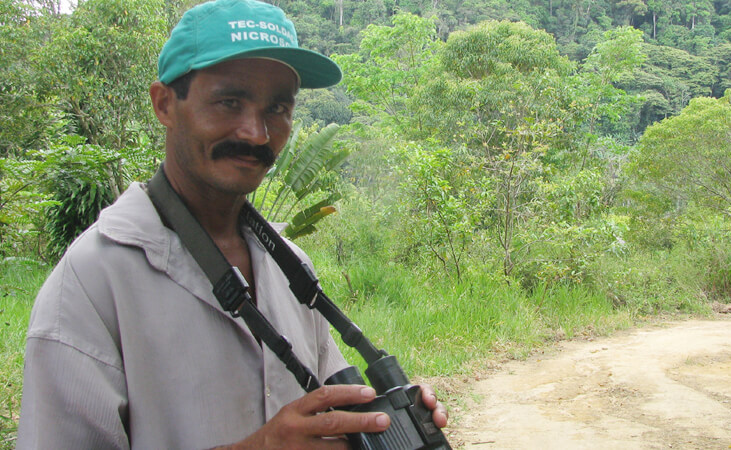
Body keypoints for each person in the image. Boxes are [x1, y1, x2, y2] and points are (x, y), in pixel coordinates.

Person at [16, 0, 446, 448]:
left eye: (277, 108)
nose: (256, 134)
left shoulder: (289, 264)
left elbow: (327, 408)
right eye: (229, 101)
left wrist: (384, 423)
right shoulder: (91, 283)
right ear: (165, 103)